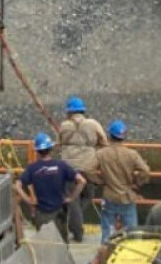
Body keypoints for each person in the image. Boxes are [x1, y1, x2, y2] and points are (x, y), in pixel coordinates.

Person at [14, 133, 86, 243]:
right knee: (61, 243)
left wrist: (29, 201)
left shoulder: (32, 168)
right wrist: (71, 198)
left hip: (42, 213)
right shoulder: (61, 165)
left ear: (37, 151)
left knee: (44, 244)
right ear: (50, 148)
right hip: (59, 212)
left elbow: (17, 186)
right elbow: (82, 181)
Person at [58, 95, 107, 242]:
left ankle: (75, 223)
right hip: (88, 166)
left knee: (73, 200)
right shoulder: (93, 124)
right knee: (88, 195)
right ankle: (77, 229)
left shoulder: (64, 125)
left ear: (69, 112)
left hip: (69, 167)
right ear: (82, 110)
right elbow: (103, 141)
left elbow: (59, 142)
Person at [94, 120, 151, 242]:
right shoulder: (132, 154)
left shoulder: (101, 154)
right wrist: (137, 184)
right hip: (127, 196)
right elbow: (145, 171)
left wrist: (98, 181)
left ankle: (106, 253)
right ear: (123, 137)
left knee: (107, 231)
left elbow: (88, 169)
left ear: (110, 136)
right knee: (132, 231)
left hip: (109, 195)